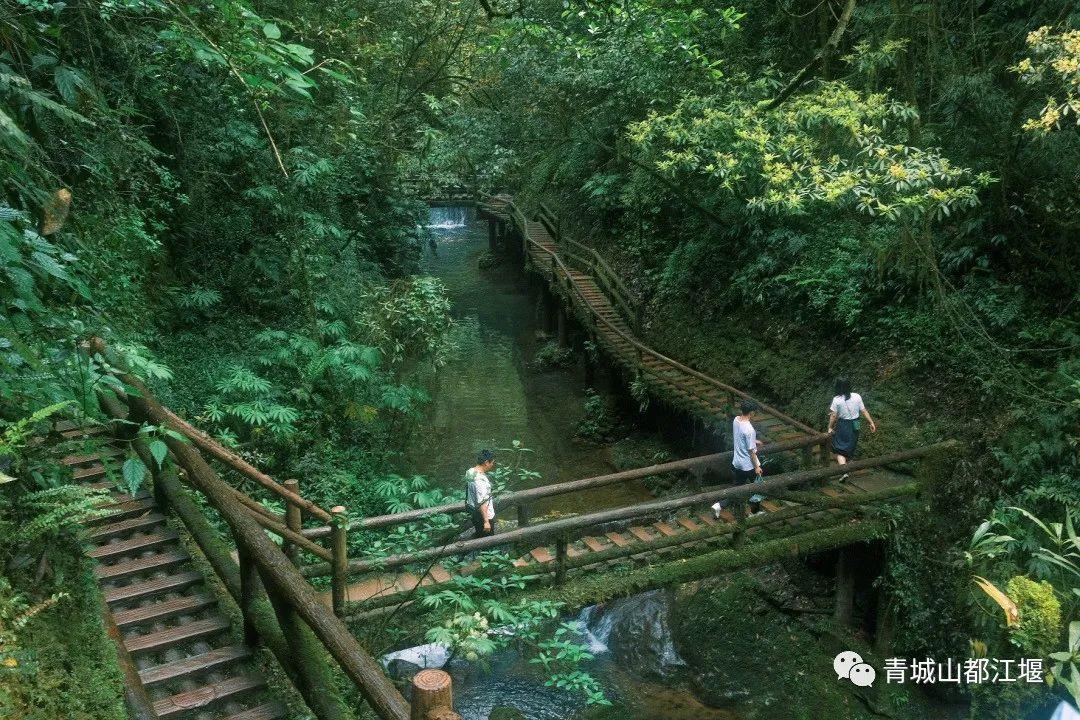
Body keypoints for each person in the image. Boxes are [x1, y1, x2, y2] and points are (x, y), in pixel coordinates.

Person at [827, 377, 877, 480]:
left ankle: (844, 471)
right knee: (851, 444)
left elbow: (833, 416)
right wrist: (871, 422)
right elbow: (864, 411)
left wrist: (830, 427)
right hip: (856, 423)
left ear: (838, 387)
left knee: (839, 449)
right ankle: (848, 465)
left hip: (843, 425)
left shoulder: (837, 400)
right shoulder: (857, 396)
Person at [727, 399, 766, 518]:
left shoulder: (736, 420)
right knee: (758, 486)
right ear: (752, 412)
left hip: (737, 461)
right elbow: (751, 452)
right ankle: (755, 512)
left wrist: (754, 441)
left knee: (737, 487)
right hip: (747, 464)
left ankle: (719, 505)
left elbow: (741, 437)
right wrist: (757, 467)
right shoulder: (749, 429)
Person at [465, 449, 496, 537]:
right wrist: (486, 522)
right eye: (492, 463)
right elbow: (482, 502)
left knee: (479, 533)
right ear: (486, 462)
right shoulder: (480, 481)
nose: (492, 465)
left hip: (473, 511)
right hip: (483, 516)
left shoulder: (470, 472)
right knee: (488, 539)